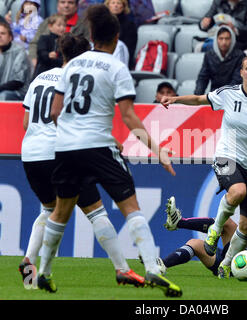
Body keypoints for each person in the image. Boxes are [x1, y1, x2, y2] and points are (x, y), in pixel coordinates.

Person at [36, 4, 182, 297]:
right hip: (98, 145)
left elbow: (55, 111)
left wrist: (70, 133)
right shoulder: (116, 67)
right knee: (131, 206)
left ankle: (43, 272)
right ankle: (152, 267)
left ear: (91, 35)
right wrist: (158, 151)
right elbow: (128, 117)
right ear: (116, 37)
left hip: (65, 148)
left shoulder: (72, 65)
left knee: (61, 212)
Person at [19, 33, 146, 290]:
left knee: (48, 210)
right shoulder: (73, 81)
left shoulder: (39, 78)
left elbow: (25, 123)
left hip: (31, 154)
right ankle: (123, 269)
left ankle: (29, 264)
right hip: (61, 153)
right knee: (96, 211)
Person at [161, 53, 247, 279]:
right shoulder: (228, 94)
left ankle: (225, 265)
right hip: (226, 156)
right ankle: (214, 232)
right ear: (241, 72)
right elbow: (200, 99)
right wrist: (176, 99)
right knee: (238, 191)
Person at [28, 0, 90, 67]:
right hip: (46, 66)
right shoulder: (47, 22)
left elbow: (88, 47)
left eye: (70, 2)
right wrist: (33, 59)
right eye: (62, 2)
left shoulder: (84, 25)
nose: (66, 6)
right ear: (57, 5)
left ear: (77, 6)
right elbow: (34, 43)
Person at [194, 25, 245, 95]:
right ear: (216, 39)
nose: (224, 42)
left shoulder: (240, 56)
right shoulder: (209, 55)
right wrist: (197, 97)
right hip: (214, 94)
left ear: (232, 39)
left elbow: (237, 80)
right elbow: (203, 78)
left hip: (233, 96)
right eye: (221, 38)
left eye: (227, 39)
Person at [0, 19, 31, 101]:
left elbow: (18, 81)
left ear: (10, 37)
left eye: (3, 33)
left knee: (3, 95)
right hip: (2, 90)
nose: (0, 36)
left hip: (19, 93)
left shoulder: (19, 51)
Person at [104, 0, 137, 69]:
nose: (115, 5)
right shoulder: (102, 23)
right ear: (108, 6)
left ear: (123, 6)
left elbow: (129, 48)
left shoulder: (130, 25)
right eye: (113, 3)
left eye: (118, 3)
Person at [32, 13, 65, 78]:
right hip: (42, 73)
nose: (62, 28)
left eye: (64, 25)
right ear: (50, 26)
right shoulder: (44, 38)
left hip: (57, 75)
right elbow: (41, 52)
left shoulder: (64, 42)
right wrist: (48, 55)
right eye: (59, 25)